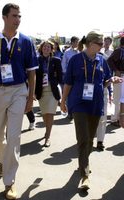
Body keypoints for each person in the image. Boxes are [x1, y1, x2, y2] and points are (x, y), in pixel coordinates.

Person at [0, 3, 38, 199]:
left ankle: (9, 181)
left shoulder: (26, 42)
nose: (18, 19)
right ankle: (3, 161)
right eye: (14, 16)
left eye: (19, 16)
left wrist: (30, 97)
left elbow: (32, 73)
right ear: (4, 17)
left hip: (19, 91)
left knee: (14, 137)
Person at [60, 31, 122, 190]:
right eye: (100, 43)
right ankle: (85, 175)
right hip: (78, 104)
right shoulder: (75, 59)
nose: (103, 46)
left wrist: (112, 80)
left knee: (89, 140)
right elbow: (67, 83)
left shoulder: (102, 60)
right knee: (83, 139)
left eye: (103, 44)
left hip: (96, 104)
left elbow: (106, 81)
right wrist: (63, 101)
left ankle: (83, 163)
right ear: (90, 43)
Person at [35, 41, 62, 147]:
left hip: (52, 90)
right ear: (41, 48)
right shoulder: (36, 60)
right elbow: (33, 76)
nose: (46, 48)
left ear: (52, 49)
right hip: (41, 90)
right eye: (44, 47)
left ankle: (48, 136)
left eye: (48, 47)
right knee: (44, 113)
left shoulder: (56, 60)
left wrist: (55, 81)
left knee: (50, 113)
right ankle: (47, 131)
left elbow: (60, 77)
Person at [96, 36, 113, 151]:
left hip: (102, 92)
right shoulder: (82, 58)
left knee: (102, 118)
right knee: (90, 118)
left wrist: (110, 91)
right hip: (88, 94)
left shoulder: (103, 59)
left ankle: (100, 141)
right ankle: (88, 139)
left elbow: (108, 77)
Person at [107, 37, 124, 127]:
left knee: (121, 99)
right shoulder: (118, 51)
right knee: (117, 99)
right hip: (119, 76)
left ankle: (120, 118)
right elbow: (109, 60)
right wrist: (116, 69)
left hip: (121, 76)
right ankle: (114, 119)